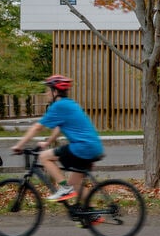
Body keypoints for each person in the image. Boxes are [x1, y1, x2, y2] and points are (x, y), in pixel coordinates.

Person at [12, 75, 104, 203]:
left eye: (48, 90)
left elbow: (37, 127)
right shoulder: (69, 104)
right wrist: (48, 142)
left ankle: (64, 188)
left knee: (44, 157)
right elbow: (59, 128)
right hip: (93, 147)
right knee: (75, 185)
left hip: (82, 147)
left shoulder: (59, 106)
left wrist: (19, 145)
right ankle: (92, 211)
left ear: (55, 91)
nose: (46, 93)